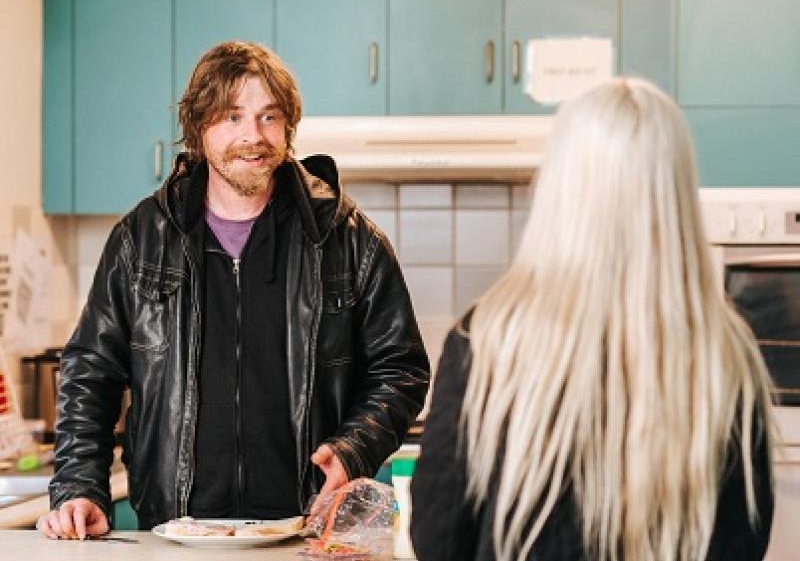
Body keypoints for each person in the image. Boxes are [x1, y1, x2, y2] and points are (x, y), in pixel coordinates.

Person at [38, 41, 430, 539]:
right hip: (176, 532)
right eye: (232, 117)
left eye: (270, 117)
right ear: (199, 129)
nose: (253, 136)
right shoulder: (142, 238)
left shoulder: (348, 238)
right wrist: (78, 484)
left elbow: (401, 368)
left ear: (288, 128)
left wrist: (356, 446)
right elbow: (91, 370)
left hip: (309, 531)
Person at [411, 78, 775, 560]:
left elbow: (437, 538)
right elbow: (744, 543)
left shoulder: (490, 340)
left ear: (561, 187)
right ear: (677, 191)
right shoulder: (724, 356)